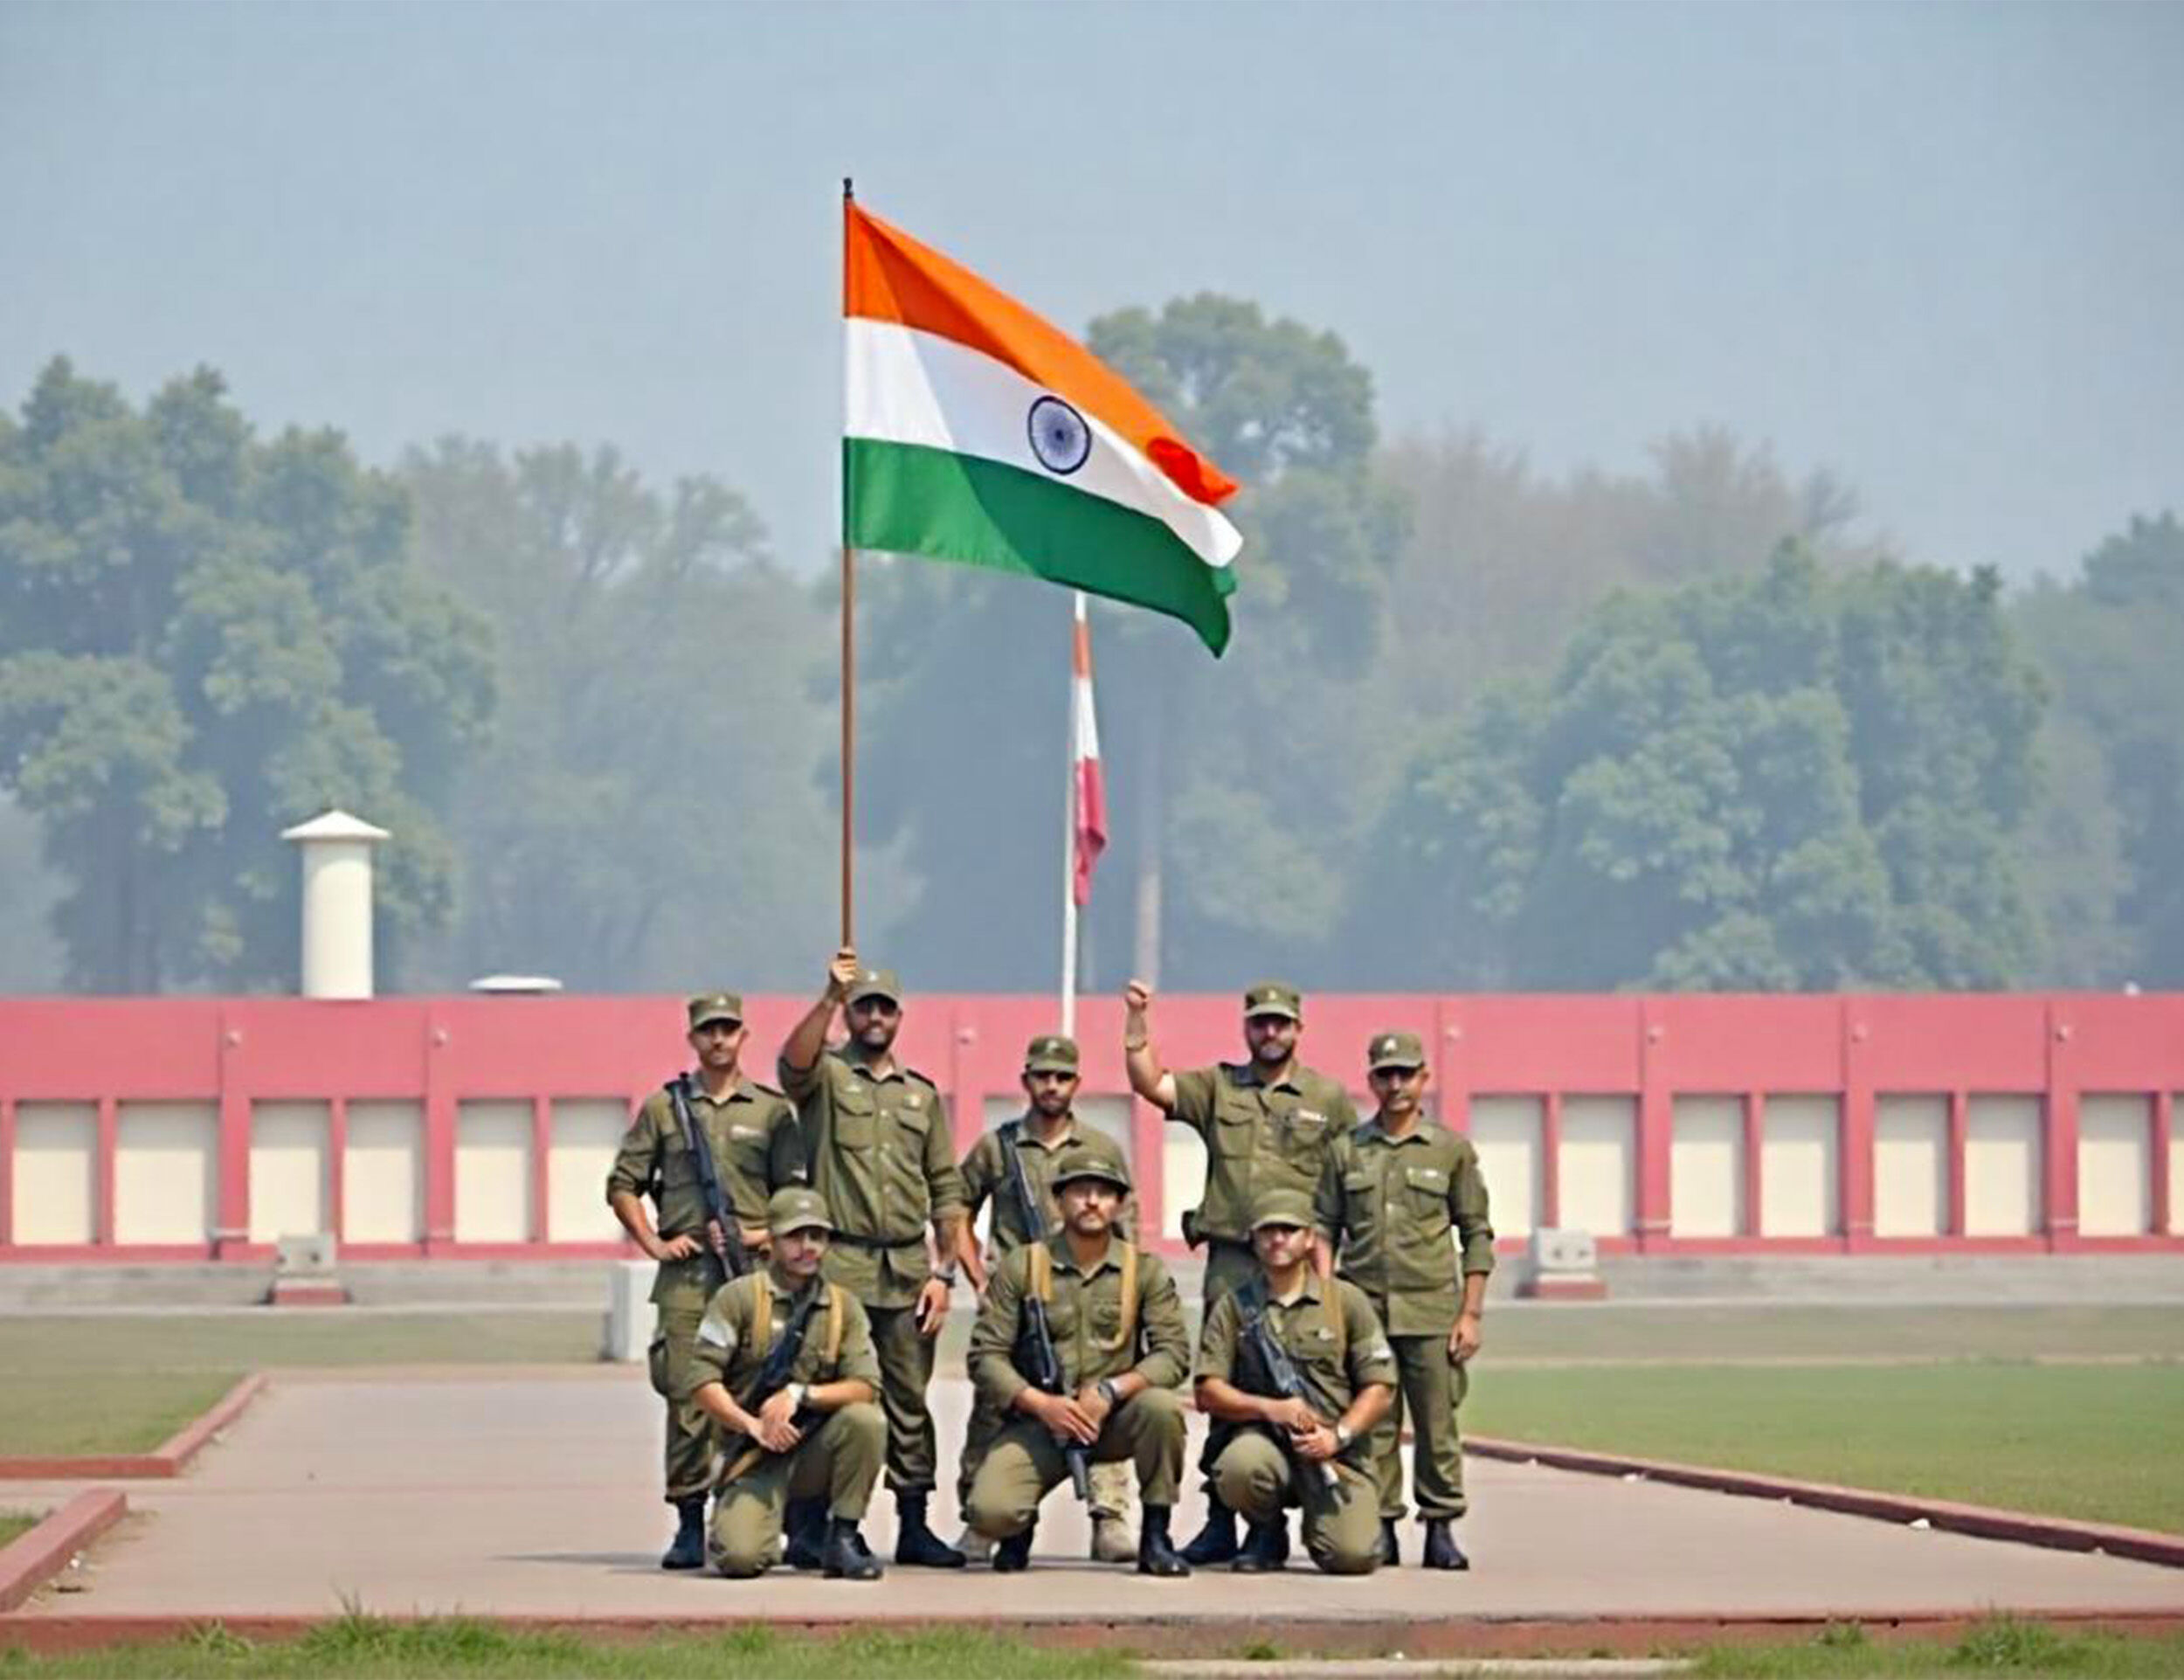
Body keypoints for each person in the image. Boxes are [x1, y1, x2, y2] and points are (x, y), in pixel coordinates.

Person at [1123, 978, 1358, 1562]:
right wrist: (1136, 1022)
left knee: (1299, 1378)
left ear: (1299, 1029)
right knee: (1224, 1382)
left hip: (1299, 1263)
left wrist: (1328, 1273)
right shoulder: (1218, 1087)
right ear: (1246, 1026)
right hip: (1233, 1260)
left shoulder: (1328, 1099)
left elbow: (1341, 1190)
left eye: (1281, 1022)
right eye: (1261, 1022)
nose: (1270, 1031)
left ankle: (1282, 1515)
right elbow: (1151, 1083)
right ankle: (1223, 1516)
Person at [779, 947, 968, 1567]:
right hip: (844, 1269)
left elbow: (946, 1187)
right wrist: (829, 996)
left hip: (909, 1269)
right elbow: (791, 1065)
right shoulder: (830, 1080)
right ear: (854, 1016)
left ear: (900, 1015)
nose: (875, 1017)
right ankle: (822, 1526)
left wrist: (943, 1272)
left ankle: (914, 1521)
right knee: (838, 1395)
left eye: (884, 1007)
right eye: (865, 1008)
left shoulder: (921, 1095)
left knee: (909, 1398)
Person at [606, 990, 804, 1569]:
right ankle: (689, 1520)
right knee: (690, 1399)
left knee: (764, 1388)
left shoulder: (771, 1112)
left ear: (745, 1035)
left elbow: (797, 1199)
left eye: (729, 1028)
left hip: (756, 1278)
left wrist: (757, 1237)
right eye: (708, 1030)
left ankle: (759, 1509)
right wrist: (656, 1243)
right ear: (693, 1037)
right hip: (689, 1281)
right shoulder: (665, 1110)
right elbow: (623, 1183)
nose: (719, 1038)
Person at [963, 1140, 1192, 1577]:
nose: (1091, 1201)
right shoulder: (1022, 1266)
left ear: (1120, 1203)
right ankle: (1019, 1528)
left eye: (1104, 1192)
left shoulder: (1144, 1271)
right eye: (1079, 1190)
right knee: (991, 1511)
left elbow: (1173, 1354)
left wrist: (1113, 1389)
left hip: (1114, 1420)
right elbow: (985, 1356)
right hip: (1041, 1422)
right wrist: (1039, 1404)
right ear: (1058, 1199)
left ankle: (1156, 1537)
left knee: (1162, 1410)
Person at [953, 1034, 1141, 1564]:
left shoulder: (1100, 1150)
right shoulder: (999, 1146)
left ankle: (1110, 1516)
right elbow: (957, 1209)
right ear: (1026, 1082)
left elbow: (1128, 1232)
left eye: (1061, 1077)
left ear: (1076, 1084)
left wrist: (1128, 1294)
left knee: (1095, 1397)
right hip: (1019, 1299)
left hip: (1087, 1293)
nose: (1052, 1086)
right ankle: (981, 1519)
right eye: (1042, 1076)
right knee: (995, 1404)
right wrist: (977, 1276)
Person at [1316, 1030, 1493, 1569]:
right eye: (1385, 1075)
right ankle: (1383, 1525)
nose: (1395, 1085)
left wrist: (1470, 1313)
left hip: (1433, 1310)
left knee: (1438, 1425)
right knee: (1376, 1428)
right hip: (1366, 1310)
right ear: (1370, 1080)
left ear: (1423, 1080)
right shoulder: (1347, 1150)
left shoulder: (1449, 1150)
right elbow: (1324, 1227)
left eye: (1405, 1074)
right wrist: (1328, 1298)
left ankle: (1440, 1526)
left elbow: (1477, 1233)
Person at [1192, 1187, 1396, 1575]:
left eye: (1288, 1229)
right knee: (1239, 1466)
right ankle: (1266, 1530)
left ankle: (1325, 1523)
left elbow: (1380, 1386)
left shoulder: (1345, 1302)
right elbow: (1207, 1391)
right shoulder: (1234, 1306)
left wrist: (1338, 1436)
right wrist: (1271, 1408)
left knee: (1352, 1557)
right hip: (1266, 1445)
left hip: (1333, 1450)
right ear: (1254, 1239)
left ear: (1309, 1239)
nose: (1278, 1239)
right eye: (1268, 1231)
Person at [687, 1187, 887, 1580]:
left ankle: (842, 1536)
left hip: (811, 1449)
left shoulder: (843, 1307)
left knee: (867, 1421)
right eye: (795, 1237)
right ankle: (767, 1521)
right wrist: (753, 1426)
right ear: (772, 1242)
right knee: (741, 1561)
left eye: (817, 1237)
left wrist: (799, 1395)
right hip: (753, 1456)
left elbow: (867, 1385)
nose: (807, 1247)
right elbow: (701, 1381)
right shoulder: (738, 1298)